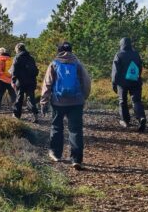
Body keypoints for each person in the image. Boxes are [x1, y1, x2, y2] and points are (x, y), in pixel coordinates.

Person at [40, 42, 91, 170]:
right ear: (71, 50)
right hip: (76, 102)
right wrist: (83, 97)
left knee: (57, 127)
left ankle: (56, 154)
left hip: (58, 102)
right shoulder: (77, 64)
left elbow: (47, 84)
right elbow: (86, 82)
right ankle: (76, 159)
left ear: (59, 51)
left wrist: (44, 102)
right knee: (76, 130)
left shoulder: (54, 63)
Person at [111, 37, 147, 132]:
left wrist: (114, 83)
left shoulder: (119, 55)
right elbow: (140, 67)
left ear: (121, 44)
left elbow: (115, 72)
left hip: (122, 83)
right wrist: (137, 77)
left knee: (122, 101)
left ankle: (125, 121)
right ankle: (141, 118)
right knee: (136, 101)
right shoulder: (136, 54)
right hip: (135, 81)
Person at [11, 43, 39, 122]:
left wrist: (13, 81)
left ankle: (17, 115)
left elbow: (14, 71)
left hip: (21, 82)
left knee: (19, 98)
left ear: (17, 49)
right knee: (31, 98)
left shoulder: (17, 57)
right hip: (31, 81)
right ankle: (35, 114)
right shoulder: (31, 58)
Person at [0, 47, 16, 113]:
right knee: (13, 95)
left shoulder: (0, 59)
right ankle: (16, 109)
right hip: (11, 80)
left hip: (2, 80)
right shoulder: (11, 59)